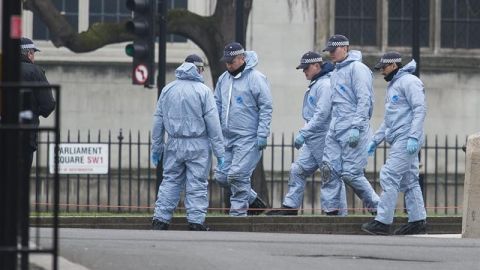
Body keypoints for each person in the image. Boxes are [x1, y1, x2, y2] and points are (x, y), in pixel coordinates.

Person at [266, 51, 347, 216]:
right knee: (298, 170)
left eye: (306, 68)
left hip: (324, 137)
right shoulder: (318, 84)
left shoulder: (324, 85)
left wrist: (304, 132)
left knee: (330, 173)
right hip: (313, 138)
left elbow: (322, 114)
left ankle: (335, 212)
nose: (304, 72)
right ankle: (291, 206)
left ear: (317, 66)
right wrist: (307, 133)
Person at [151, 54, 225, 231]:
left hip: (174, 143)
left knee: (170, 181)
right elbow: (213, 124)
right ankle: (195, 221)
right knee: (197, 183)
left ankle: (160, 219)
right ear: (198, 69)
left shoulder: (168, 89)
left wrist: (157, 147)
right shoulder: (203, 91)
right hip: (197, 144)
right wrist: (220, 152)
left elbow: (158, 121)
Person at [361, 52, 427, 235]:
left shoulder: (410, 82)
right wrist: (375, 140)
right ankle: (417, 221)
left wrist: (414, 136)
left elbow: (420, 109)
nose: (381, 71)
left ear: (393, 65)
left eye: (383, 67)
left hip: (406, 139)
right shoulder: (395, 85)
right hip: (401, 138)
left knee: (389, 175)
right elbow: (389, 120)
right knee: (410, 180)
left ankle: (382, 221)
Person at [320, 34, 379, 214]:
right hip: (336, 127)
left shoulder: (358, 69)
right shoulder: (336, 71)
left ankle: (379, 208)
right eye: (329, 51)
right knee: (329, 170)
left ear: (345, 48)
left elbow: (364, 100)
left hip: (354, 128)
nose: (331, 54)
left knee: (351, 174)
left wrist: (356, 127)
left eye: (334, 50)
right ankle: (333, 212)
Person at [214, 42, 272, 217]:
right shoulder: (223, 79)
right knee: (222, 177)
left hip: (248, 137)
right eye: (227, 61)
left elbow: (266, 107)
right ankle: (253, 199)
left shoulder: (256, 78)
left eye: (232, 61)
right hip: (227, 137)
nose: (229, 65)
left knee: (238, 176)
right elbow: (217, 105)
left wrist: (262, 134)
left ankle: (237, 216)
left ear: (242, 58)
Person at [20, 37, 56, 176]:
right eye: (33, 53)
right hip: (25, 133)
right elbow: (48, 104)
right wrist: (34, 112)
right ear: (29, 53)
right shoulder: (35, 71)